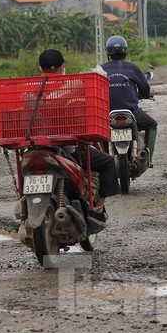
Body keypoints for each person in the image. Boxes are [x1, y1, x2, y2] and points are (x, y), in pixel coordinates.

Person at [38, 48, 118, 223]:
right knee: (107, 162)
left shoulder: (29, 88)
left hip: (34, 146)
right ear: (62, 67)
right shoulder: (71, 86)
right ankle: (97, 208)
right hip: (65, 148)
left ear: (40, 68)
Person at [101, 36, 158, 167]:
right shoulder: (132, 68)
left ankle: (105, 155)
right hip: (132, 112)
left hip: (106, 113)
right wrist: (145, 95)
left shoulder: (101, 69)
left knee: (100, 133)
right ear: (125, 51)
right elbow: (145, 88)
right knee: (152, 125)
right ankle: (147, 156)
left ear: (108, 53)